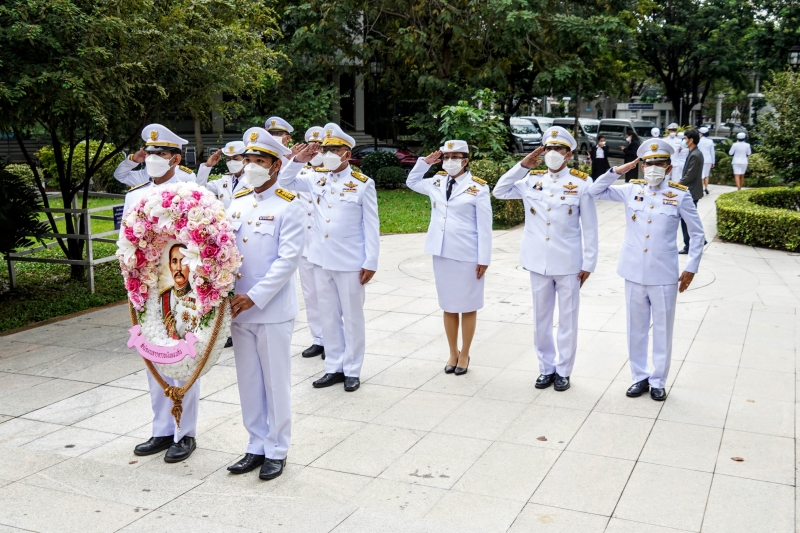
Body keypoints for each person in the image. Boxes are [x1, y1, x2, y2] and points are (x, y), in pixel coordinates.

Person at [589, 139, 704, 401]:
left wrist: (691, 267)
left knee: (663, 329)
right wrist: (617, 170)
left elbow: (697, 234)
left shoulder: (680, 195)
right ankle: (639, 377)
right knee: (636, 328)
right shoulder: (631, 190)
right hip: (633, 272)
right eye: (648, 163)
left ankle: (658, 380)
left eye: (659, 164)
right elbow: (594, 192)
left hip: (664, 274)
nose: (653, 168)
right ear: (642, 167)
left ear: (669, 166)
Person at [225, 127, 308, 480]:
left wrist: (253, 296)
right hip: (237, 310)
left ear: (275, 166)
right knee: (248, 380)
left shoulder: (290, 205)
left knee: (275, 381)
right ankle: (255, 444)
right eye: (248, 160)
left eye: (260, 160)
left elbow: (288, 261)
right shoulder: (238, 202)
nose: (251, 166)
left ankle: (277, 448)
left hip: (270, 310)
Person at [117, 124, 201, 463]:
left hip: (181, 285)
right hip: (148, 288)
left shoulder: (190, 190)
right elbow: (126, 243)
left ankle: (185, 432)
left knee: (183, 359)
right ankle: (162, 429)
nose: (152, 159)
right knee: (153, 355)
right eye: (149, 153)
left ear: (175, 158)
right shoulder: (134, 195)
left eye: (160, 154)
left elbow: (201, 240)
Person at [493, 127, 598, 392]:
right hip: (538, 261)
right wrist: (521, 166)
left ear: (568, 154)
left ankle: (563, 370)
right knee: (541, 318)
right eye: (548, 149)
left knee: (568, 319)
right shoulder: (530, 180)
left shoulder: (582, 183)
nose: (552, 153)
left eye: (558, 149)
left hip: (569, 263)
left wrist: (589, 263)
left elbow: (591, 227)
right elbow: (500, 190)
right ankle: (546, 368)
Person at [278, 123, 379, 392]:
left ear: (347, 153)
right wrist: (299, 160)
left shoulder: (362, 184)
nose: (329, 153)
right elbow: (283, 182)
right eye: (326, 149)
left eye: (334, 149)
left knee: (352, 317)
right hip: (320, 260)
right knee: (329, 315)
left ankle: (353, 369)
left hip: (350, 263)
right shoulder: (315, 178)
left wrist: (371, 261)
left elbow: (371, 226)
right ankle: (333, 366)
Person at [406, 140, 492, 375]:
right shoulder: (436, 181)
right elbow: (411, 182)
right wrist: (425, 163)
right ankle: (452, 352)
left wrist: (484, 258)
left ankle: (465, 353)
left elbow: (485, 227)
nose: (449, 161)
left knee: (469, 305)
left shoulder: (478, 187)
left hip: (468, 255)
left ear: (465, 160)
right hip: (442, 252)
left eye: (455, 157)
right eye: (446, 157)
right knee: (449, 305)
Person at [297, 126, 327, 360]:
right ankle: (318, 338)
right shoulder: (301, 175)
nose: (315, 150)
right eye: (312, 146)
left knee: (330, 297)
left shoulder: (336, 173)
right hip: (305, 246)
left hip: (327, 247)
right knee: (311, 295)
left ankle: (335, 339)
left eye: (320, 146)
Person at [195, 141, 248, 208]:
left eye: (235, 159)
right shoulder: (223, 181)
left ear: (246, 160)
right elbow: (199, 189)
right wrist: (207, 166)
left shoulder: (253, 181)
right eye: (228, 159)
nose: (231, 162)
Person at [161, 244, 198, 340]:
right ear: (170, 266)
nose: (178, 268)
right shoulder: (163, 298)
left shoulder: (198, 297)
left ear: (190, 265)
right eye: (174, 261)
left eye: (183, 262)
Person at [678, 129, 705, 255]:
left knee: (686, 219)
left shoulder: (695, 154)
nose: (684, 141)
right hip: (691, 190)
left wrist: (678, 184)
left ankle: (689, 245)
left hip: (691, 191)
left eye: (685, 139)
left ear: (691, 140)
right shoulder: (694, 153)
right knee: (689, 219)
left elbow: (690, 175)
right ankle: (699, 240)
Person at [697, 126, 715, 195]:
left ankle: (701, 189)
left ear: (701, 133)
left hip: (700, 159)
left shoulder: (698, 141)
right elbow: (712, 152)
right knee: (706, 175)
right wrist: (713, 162)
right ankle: (706, 188)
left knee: (701, 175)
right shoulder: (710, 141)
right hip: (708, 160)